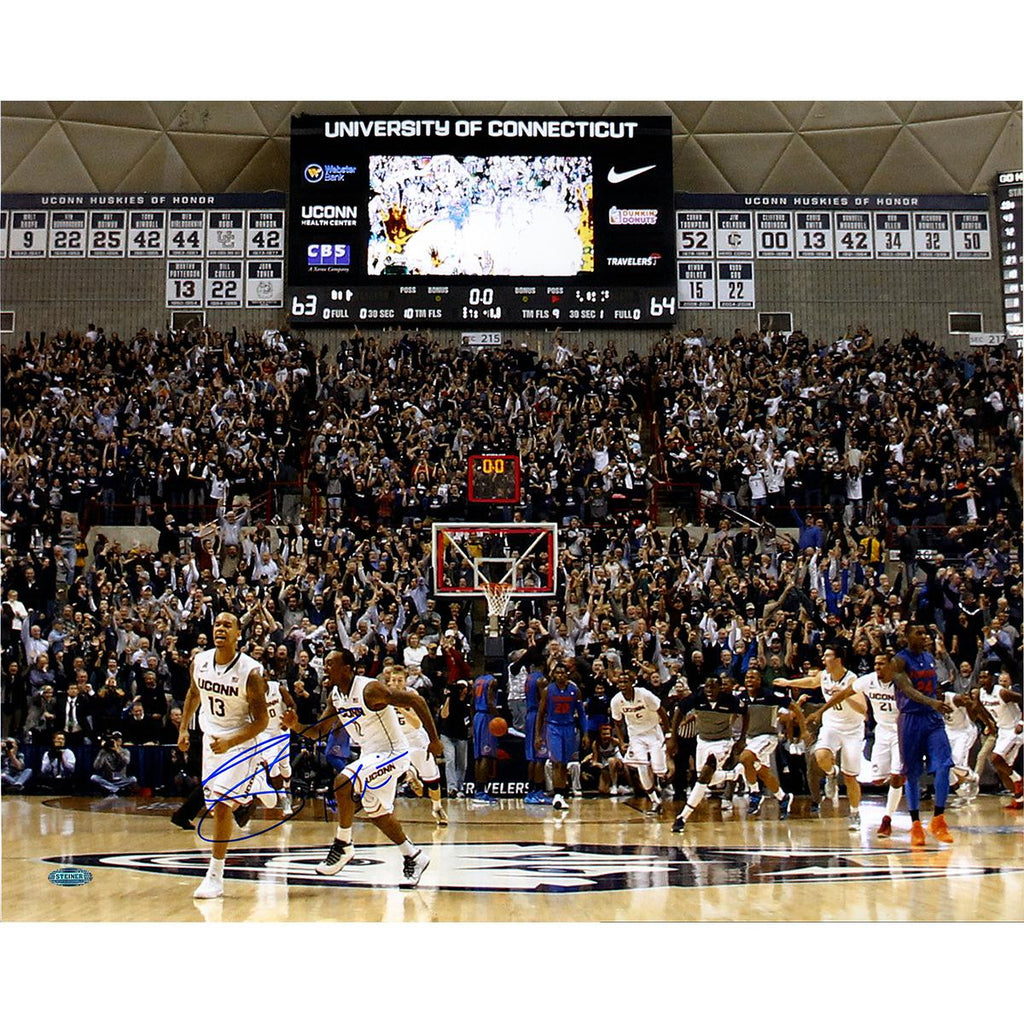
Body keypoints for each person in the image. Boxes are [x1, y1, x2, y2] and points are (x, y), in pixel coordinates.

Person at [281, 648, 441, 888]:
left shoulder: (369, 689)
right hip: (371, 755)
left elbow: (415, 700)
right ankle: (414, 856)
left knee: (343, 781)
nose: (325, 667)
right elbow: (317, 732)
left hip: (392, 752)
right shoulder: (336, 696)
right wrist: (295, 726)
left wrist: (434, 740)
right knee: (377, 812)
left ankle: (343, 844)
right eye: (325, 663)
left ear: (347, 668)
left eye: (330, 663)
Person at [177, 612, 269, 899]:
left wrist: (230, 742)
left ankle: (215, 875)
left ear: (238, 633)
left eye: (228, 625)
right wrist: (183, 729)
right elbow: (194, 693)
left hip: (240, 741)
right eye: (217, 624)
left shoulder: (251, 672)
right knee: (215, 803)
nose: (221, 629)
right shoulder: (200, 661)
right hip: (211, 739)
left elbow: (261, 722)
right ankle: (263, 788)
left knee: (221, 804)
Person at [777, 644, 867, 830]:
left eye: (827, 655)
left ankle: (855, 812)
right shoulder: (824, 675)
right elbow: (811, 682)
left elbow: (863, 710)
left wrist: (844, 695)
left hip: (852, 729)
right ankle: (831, 774)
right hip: (832, 725)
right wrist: (788, 682)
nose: (824, 659)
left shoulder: (852, 679)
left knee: (850, 777)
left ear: (838, 659)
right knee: (820, 755)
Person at [890, 624, 956, 846]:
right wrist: (933, 702)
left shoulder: (929, 657)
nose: (924, 636)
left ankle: (938, 818)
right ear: (906, 636)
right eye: (918, 632)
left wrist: (940, 702)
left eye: (925, 632)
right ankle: (916, 824)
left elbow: (933, 687)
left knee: (945, 765)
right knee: (912, 772)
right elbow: (908, 690)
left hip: (932, 719)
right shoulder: (898, 661)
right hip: (910, 719)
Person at [671, 674, 747, 833]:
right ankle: (732, 775)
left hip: (722, 742)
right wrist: (673, 737)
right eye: (707, 687)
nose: (709, 690)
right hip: (702, 741)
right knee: (704, 780)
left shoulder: (730, 700)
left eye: (713, 687)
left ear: (720, 687)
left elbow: (745, 713)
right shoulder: (697, 697)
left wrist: (741, 739)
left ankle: (682, 817)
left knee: (705, 775)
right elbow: (679, 711)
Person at [386, 664, 447, 826]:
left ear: (406, 682)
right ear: (389, 682)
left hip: (417, 739)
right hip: (398, 740)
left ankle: (437, 807)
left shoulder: (412, 695)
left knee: (432, 779)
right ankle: (409, 775)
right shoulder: (384, 696)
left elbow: (415, 722)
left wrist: (401, 708)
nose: (396, 683)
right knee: (395, 768)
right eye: (393, 680)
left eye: (400, 680)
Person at [608, 668, 673, 814]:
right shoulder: (616, 701)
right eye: (620, 682)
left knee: (659, 769)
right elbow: (617, 723)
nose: (623, 684)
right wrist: (621, 741)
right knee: (641, 767)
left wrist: (667, 733)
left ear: (632, 683)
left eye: (626, 681)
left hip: (653, 732)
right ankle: (655, 801)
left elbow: (661, 710)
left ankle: (663, 780)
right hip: (636, 736)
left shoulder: (644, 694)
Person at [735, 667, 793, 819]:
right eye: (747, 678)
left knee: (745, 758)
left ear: (760, 680)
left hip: (768, 737)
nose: (749, 680)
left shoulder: (770, 695)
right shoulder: (741, 697)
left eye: (753, 678)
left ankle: (754, 793)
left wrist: (804, 729)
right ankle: (783, 797)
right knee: (763, 773)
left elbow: (793, 707)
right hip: (751, 738)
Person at [535, 662, 587, 811]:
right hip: (553, 727)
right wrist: (538, 735)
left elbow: (581, 713)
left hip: (569, 727)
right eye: (557, 673)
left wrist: (586, 733)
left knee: (564, 763)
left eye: (563, 673)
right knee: (556, 761)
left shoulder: (574, 691)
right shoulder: (548, 691)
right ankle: (557, 795)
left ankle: (561, 793)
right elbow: (540, 714)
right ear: (553, 675)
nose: (560, 675)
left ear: (567, 674)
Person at [975, 669, 1023, 809]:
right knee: (1001, 769)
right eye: (981, 677)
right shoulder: (981, 693)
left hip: (1015, 730)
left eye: (985, 676)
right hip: (1002, 730)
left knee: (995, 758)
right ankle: (1019, 799)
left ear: (992, 678)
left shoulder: (1002, 692)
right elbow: (979, 708)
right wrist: (989, 724)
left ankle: (1018, 779)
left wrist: (1021, 723)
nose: (983, 679)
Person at [471, 672, 500, 804]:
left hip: (477, 717)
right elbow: (489, 702)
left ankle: (478, 790)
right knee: (485, 755)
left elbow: (471, 702)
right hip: (487, 717)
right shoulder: (492, 681)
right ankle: (481, 792)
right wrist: (499, 716)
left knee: (478, 756)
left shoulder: (478, 680)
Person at [522, 670, 551, 804]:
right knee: (540, 756)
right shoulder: (541, 680)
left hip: (529, 715)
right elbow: (543, 703)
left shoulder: (529, 678)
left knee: (532, 757)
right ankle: (538, 792)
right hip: (538, 717)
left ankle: (531, 791)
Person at [89, 731, 138, 795]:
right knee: (93, 777)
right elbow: (96, 766)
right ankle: (116, 789)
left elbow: (126, 762)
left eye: (117, 740)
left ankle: (111, 788)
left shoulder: (125, 751)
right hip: (107, 780)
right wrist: (103, 752)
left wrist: (117, 751)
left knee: (133, 779)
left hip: (121, 780)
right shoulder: (104, 752)